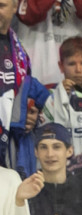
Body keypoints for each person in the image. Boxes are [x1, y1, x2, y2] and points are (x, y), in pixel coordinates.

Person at [0, 0, 51, 176]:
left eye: (1, 5)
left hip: (8, 143)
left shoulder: (19, 50)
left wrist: (30, 112)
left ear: (15, 7)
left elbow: (25, 90)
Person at [41, 37, 82, 171]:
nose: (78, 69)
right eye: (71, 63)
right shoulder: (48, 97)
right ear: (61, 66)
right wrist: (60, 95)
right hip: (57, 177)